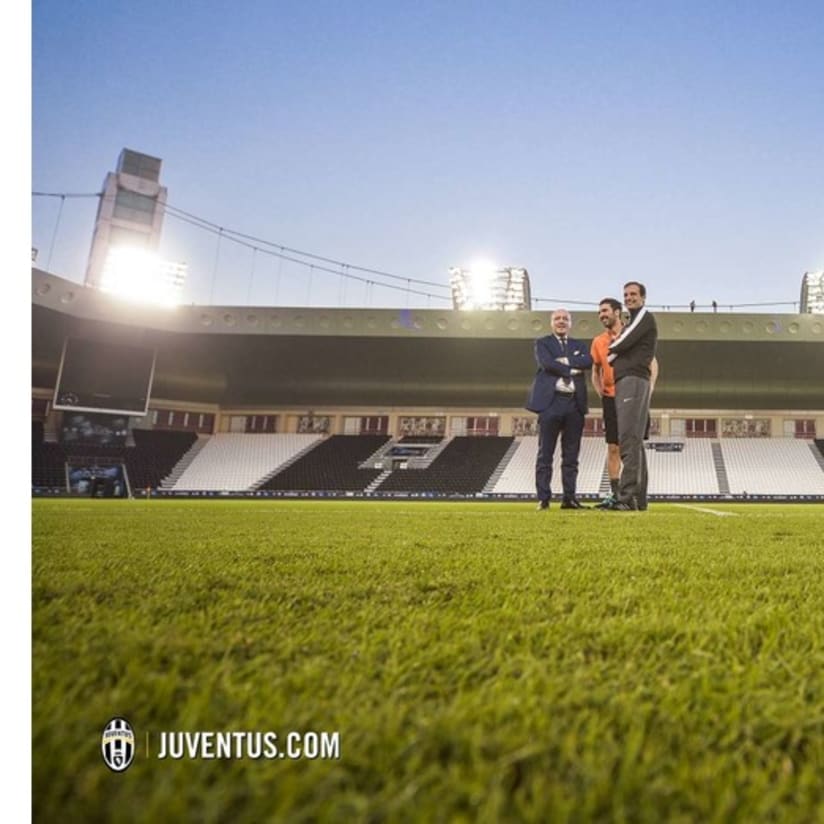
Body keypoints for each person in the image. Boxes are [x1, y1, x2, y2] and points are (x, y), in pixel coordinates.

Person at [591, 298, 659, 509]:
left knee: (634, 441)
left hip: (633, 392)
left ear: (617, 312)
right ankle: (617, 494)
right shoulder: (598, 341)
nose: (602, 315)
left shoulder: (632, 333)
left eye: (605, 311)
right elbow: (595, 371)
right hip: (611, 397)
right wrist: (602, 394)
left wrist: (649, 389)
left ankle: (635, 496)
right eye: (599, 312)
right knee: (614, 446)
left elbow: (652, 361)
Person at [525, 308, 593, 510]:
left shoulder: (579, 344)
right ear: (551, 323)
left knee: (571, 456)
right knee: (545, 454)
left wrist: (564, 362)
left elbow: (588, 361)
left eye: (565, 318)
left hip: (574, 403)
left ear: (570, 323)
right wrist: (573, 367)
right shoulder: (542, 342)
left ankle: (569, 498)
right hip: (551, 402)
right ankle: (543, 499)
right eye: (557, 319)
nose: (561, 321)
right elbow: (547, 364)